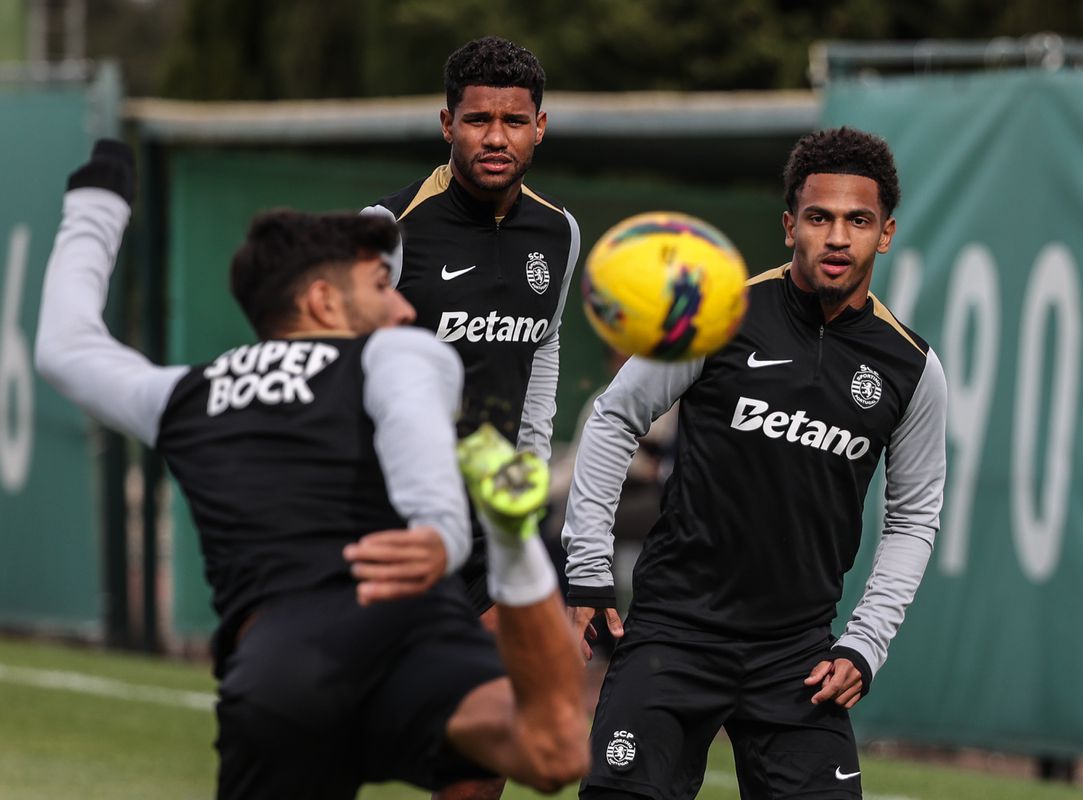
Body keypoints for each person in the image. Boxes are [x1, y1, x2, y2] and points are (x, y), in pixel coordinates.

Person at [35, 140, 587, 799]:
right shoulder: (396, 352)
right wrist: (445, 527)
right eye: (382, 287)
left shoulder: (184, 393)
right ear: (324, 302)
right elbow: (410, 407)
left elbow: (66, 348)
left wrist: (98, 200)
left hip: (281, 670)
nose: (407, 308)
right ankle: (513, 544)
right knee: (553, 751)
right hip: (410, 636)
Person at [563, 126, 947, 799]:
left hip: (797, 657)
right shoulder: (720, 315)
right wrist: (589, 570)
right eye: (818, 218)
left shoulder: (911, 367)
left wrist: (863, 644)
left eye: (857, 220)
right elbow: (612, 418)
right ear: (788, 226)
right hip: (673, 634)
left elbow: (914, 516)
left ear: (884, 233)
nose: (836, 237)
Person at [363, 37, 580, 800]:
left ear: (540, 127)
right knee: (334, 741)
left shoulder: (559, 234)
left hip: (491, 532)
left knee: (479, 764)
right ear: (446, 122)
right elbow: (342, 377)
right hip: (391, 528)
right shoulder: (384, 230)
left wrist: (527, 475)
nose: (496, 137)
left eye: (514, 121)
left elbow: (542, 354)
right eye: (478, 119)